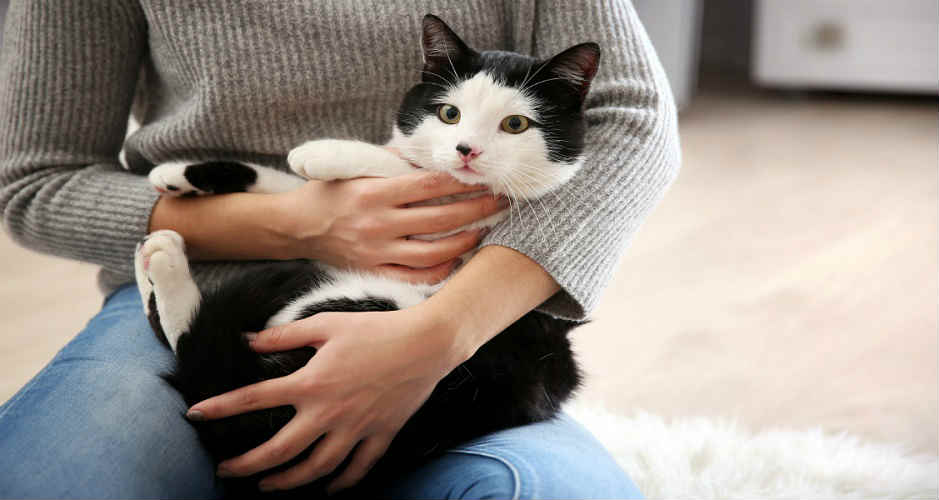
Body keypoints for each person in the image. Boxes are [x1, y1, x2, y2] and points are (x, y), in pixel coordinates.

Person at [0, 0, 679, 498]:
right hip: (213, 293)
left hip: (472, 320)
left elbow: (635, 118)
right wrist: (298, 223)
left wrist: (439, 333)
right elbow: (38, 184)